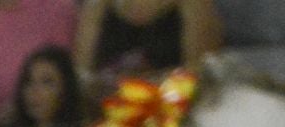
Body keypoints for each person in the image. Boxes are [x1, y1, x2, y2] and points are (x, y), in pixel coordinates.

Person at [76, 0, 223, 87]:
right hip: (107, 103)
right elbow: (81, 69)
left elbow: (202, 67)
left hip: (170, 105)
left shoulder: (193, 4)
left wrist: (143, 86)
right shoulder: (97, 5)